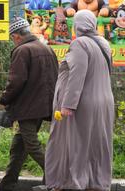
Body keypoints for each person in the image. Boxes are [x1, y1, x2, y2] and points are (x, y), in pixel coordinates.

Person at [45, 10, 114, 191]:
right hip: (104, 101)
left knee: (78, 145)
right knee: (97, 144)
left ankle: (75, 183)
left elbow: (77, 74)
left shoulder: (80, 44)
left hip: (84, 102)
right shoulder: (104, 43)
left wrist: (68, 104)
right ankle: (97, 182)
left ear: (77, 24)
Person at [0, 16, 59, 191]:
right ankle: (7, 184)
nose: (13, 41)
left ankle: (57, 176)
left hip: (28, 107)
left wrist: (4, 99)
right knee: (19, 146)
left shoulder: (22, 51)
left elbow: (16, 81)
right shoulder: (46, 49)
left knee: (31, 145)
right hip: (44, 106)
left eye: (12, 38)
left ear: (16, 36)